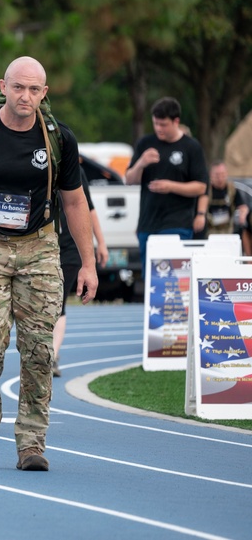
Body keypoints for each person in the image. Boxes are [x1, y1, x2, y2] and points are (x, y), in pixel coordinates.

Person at [0, 56, 98, 472]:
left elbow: (75, 201)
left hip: (40, 248)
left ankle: (31, 441)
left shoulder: (58, 138)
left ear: (44, 93)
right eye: (18, 87)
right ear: (3, 87)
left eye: (34, 89)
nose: (25, 96)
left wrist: (88, 263)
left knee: (39, 350)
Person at [125, 97, 208, 266]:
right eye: (155, 123)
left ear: (176, 121)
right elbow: (129, 180)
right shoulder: (145, 143)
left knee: (173, 275)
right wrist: (141, 162)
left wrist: (171, 186)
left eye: (163, 125)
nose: (158, 129)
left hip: (177, 223)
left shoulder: (191, 147)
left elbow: (201, 187)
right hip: (147, 223)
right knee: (150, 277)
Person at [53, 165, 109, 377]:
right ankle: (41, 354)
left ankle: (53, 356)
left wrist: (100, 243)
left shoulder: (73, 168)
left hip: (69, 246)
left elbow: (88, 207)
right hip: (38, 244)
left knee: (59, 301)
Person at [194, 160, 248, 239]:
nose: (220, 178)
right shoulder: (206, 190)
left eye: (222, 174)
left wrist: (243, 214)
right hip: (209, 231)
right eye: (217, 175)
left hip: (229, 230)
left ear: (227, 173)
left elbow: (243, 206)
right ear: (210, 175)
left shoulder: (232, 189)